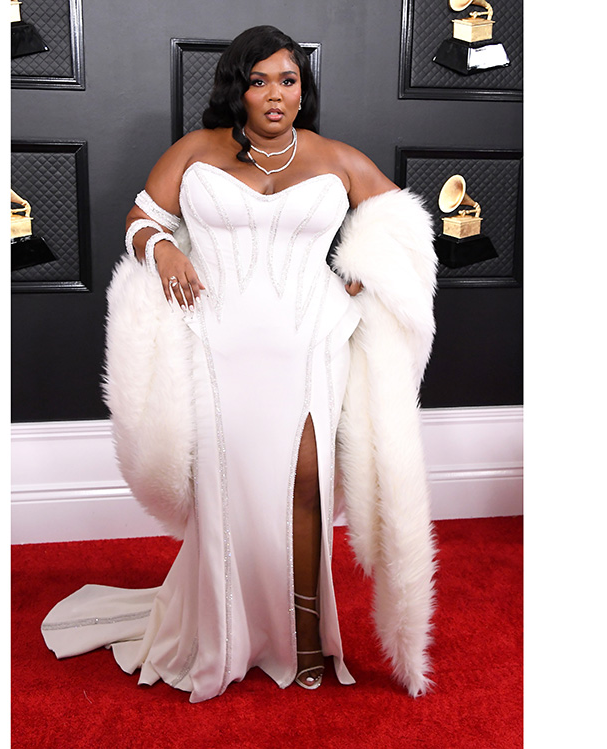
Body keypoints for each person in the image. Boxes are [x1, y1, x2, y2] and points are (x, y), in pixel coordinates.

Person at [42, 25, 439, 703]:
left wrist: (366, 265)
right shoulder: (197, 151)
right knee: (225, 491)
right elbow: (140, 218)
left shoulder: (334, 158)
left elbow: (401, 222)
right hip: (216, 347)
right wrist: (164, 249)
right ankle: (225, 634)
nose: (275, 93)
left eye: (288, 79)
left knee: (307, 487)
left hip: (311, 345)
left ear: (302, 90)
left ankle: (305, 639)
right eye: (259, 81)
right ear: (238, 88)